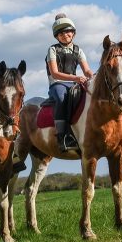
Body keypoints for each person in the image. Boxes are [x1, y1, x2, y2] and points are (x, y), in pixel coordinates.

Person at [47, 13, 93, 151]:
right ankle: (62, 136)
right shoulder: (53, 49)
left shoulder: (78, 50)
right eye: (60, 33)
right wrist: (75, 78)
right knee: (62, 98)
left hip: (74, 83)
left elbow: (87, 70)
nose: (64, 34)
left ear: (73, 33)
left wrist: (93, 75)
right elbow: (54, 73)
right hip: (57, 84)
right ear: (57, 36)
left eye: (67, 31)